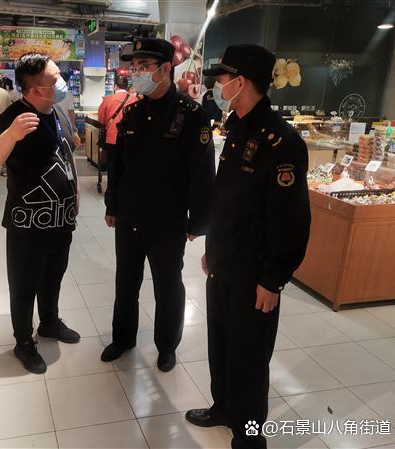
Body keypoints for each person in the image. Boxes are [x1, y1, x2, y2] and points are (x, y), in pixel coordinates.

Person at [185, 44, 311, 449]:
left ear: (240, 82)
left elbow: (291, 220)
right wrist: (213, 247)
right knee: (221, 346)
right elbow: (228, 201)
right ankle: (224, 407)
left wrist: (274, 280)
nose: (218, 86)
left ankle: (250, 438)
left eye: (222, 78)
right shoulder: (237, 126)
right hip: (224, 264)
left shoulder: (281, 141)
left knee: (250, 360)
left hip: (255, 275)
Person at [102, 38, 216, 372]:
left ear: (165, 68)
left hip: (167, 219)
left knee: (168, 286)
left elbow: (202, 171)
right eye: (134, 67)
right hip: (130, 215)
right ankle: (123, 338)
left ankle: (167, 346)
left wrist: (198, 221)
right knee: (126, 281)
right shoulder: (133, 112)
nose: (135, 72)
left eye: (144, 66)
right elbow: (118, 165)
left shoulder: (191, 115)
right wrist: (112, 205)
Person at [0, 53, 80, 374]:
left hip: (61, 219)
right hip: (28, 224)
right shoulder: (15, 116)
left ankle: (49, 321)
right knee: (24, 286)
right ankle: (23, 341)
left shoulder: (56, 112)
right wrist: (11, 135)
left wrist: (75, 195)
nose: (61, 83)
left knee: (54, 276)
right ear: (35, 90)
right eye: (54, 79)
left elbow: (66, 156)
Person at [97, 74, 137, 180]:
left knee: (112, 166)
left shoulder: (107, 99)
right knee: (127, 167)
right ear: (127, 86)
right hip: (129, 139)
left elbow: (101, 120)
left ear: (115, 86)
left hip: (112, 138)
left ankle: (111, 187)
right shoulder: (135, 99)